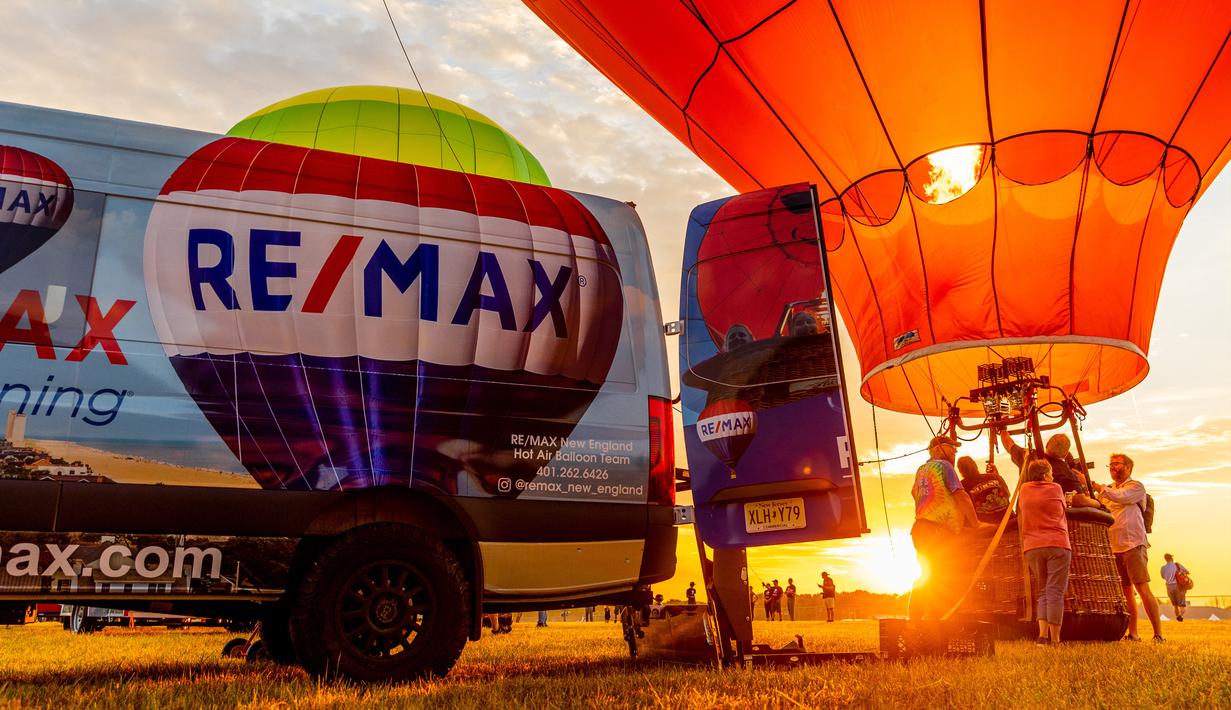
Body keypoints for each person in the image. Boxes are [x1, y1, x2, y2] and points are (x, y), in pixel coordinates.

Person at [1091, 452, 1164, 643]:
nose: (1113, 467)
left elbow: (1121, 497)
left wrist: (1097, 487)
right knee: (1126, 592)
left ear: (1128, 467)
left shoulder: (1136, 487)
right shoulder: (1108, 490)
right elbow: (1099, 505)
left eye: (1117, 463)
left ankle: (1158, 634)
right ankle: (1133, 633)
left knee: (1142, 588)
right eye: (1110, 464)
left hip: (1133, 544)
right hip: (1114, 547)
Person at [910, 434, 981, 620]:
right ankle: (937, 621)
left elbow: (914, 492)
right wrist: (975, 523)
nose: (955, 451)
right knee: (943, 576)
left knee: (928, 574)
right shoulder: (945, 466)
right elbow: (961, 496)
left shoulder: (921, 469)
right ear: (938, 449)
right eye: (951, 447)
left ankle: (916, 619)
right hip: (938, 530)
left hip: (920, 529)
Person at [1018, 458, 1072, 645]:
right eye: (1050, 473)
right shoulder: (1055, 488)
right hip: (1057, 543)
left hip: (1032, 546)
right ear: (1045, 474)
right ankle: (1055, 638)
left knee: (1042, 591)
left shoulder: (1023, 490)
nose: (1053, 476)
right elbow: (1063, 507)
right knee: (1055, 591)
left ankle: (1042, 636)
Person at [1000, 431, 1099, 508]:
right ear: (1065, 454)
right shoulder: (1067, 473)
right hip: (1052, 519)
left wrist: (1002, 430)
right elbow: (1080, 500)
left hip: (1024, 516)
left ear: (1047, 445)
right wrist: (1098, 503)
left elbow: (1008, 444)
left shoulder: (1028, 456)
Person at [957, 456, 1011, 524]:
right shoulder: (995, 476)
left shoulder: (962, 486)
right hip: (1010, 519)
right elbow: (1008, 494)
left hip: (990, 526)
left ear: (960, 471)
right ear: (975, 465)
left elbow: (964, 509)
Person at [1160, 553, 1191, 622]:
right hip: (1178, 586)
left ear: (1165, 559)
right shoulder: (1177, 565)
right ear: (1171, 558)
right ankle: (1180, 616)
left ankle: (1177, 617)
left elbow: (1163, 577)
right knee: (1182, 605)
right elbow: (1187, 572)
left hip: (1168, 587)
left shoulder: (1163, 568)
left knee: (1175, 605)